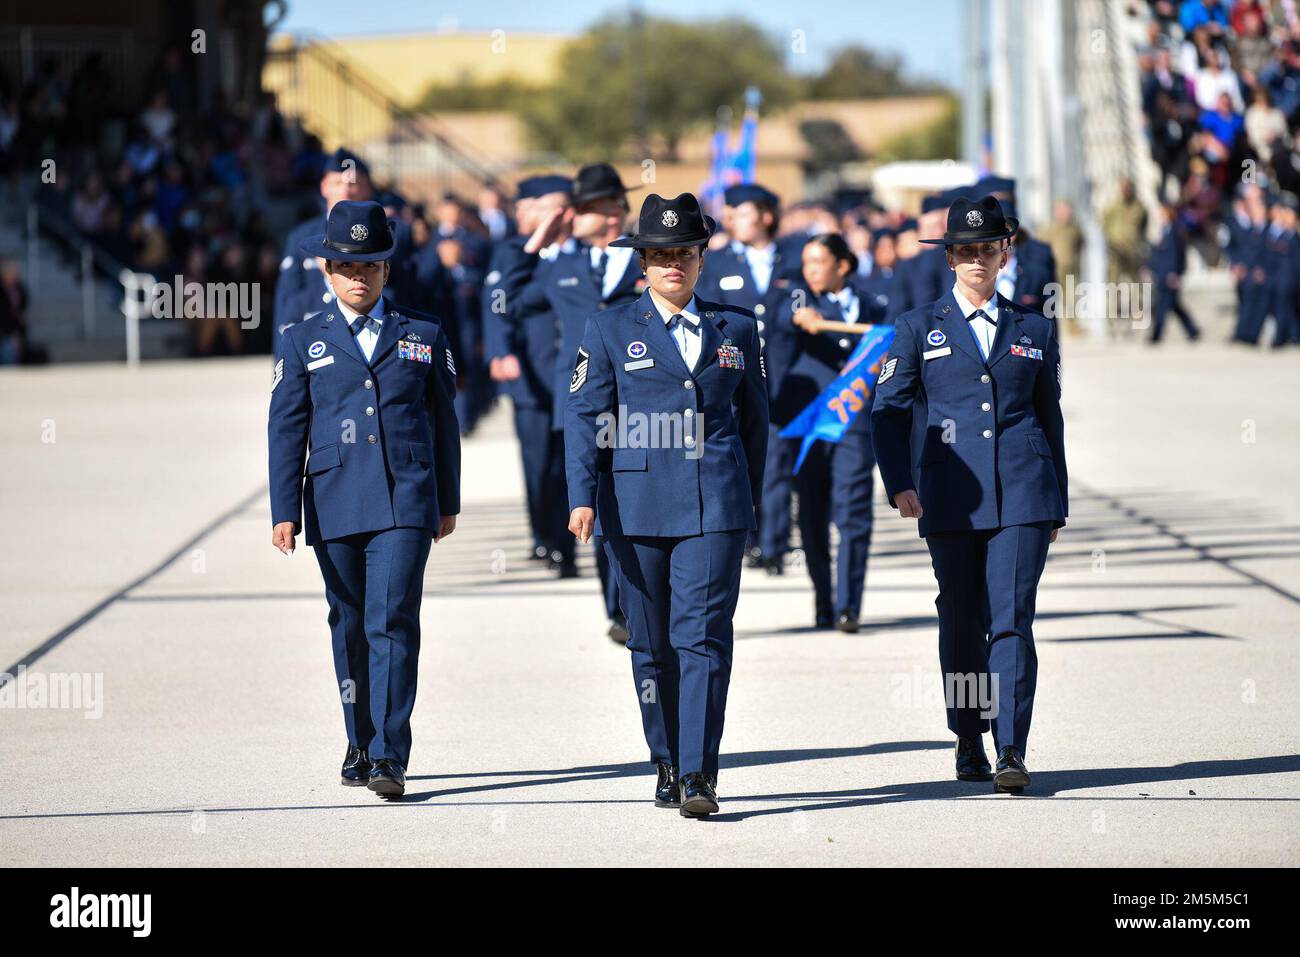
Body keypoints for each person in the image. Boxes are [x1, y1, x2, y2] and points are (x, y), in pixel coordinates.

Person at [565, 193, 768, 817]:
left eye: (684, 252)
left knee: (703, 637)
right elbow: (585, 416)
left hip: (715, 504)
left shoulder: (736, 327)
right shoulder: (608, 328)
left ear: (702, 257)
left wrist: (747, 498)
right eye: (660, 254)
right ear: (642, 264)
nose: (672, 264)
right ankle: (666, 758)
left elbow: (756, 421)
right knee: (651, 645)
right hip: (636, 504)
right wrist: (582, 497)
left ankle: (700, 772)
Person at [871, 195, 1067, 794]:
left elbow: (1048, 413)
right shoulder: (916, 327)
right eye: (965, 250)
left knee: (1011, 618)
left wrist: (1056, 498)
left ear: (1006, 253)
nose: (976, 259)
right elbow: (888, 409)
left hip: (1024, 492)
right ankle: (967, 735)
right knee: (960, 618)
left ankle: (1011, 745)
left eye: (987, 248)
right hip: (950, 493)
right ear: (949, 257)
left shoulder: (1034, 327)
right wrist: (899, 480)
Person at [268, 200, 461, 799]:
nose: (359, 277)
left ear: (387, 269)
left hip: (406, 499)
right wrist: (284, 509)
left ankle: (389, 755)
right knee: (349, 622)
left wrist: (446, 501)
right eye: (346, 266)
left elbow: (444, 423)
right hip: (333, 499)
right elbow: (285, 427)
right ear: (326, 270)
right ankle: (359, 736)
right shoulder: (302, 340)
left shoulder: (423, 334)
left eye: (371, 265)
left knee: (394, 621)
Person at [525, 163, 642, 615]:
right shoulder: (564, 262)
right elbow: (513, 299)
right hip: (580, 400)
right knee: (589, 497)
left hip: (636, 398)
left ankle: (634, 605)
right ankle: (615, 609)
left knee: (626, 499)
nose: (607, 218)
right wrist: (540, 238)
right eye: (586, 210)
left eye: (611, 207)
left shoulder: (641, 260)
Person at [773, 234, 887, 632]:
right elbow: (786, 316)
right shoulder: (797, 297)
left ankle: (848, 606)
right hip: (809, 424)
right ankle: (824, 596)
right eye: (806, 262)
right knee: (812, 515)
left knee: (854, 512)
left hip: (855, 422)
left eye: (819, 261)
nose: (811, 270)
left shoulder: (875, 304)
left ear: (844, 265)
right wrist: (801, 318)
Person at [697, 183, 802, 574]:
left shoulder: (793, 260)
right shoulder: (718, 261)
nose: (731, 220)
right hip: (729, 373)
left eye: (742, 213)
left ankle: (773, 545)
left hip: (782, 376)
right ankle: (745, 535)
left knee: (774, 459)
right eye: (730, 213)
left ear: (766, 217)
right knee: (734, 453)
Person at [481, 175, 576, 577]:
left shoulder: (581, 253)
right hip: (530, 376)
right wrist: (501, 352)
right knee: (539, 465)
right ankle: (545, 535)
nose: (536, 217)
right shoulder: (513, 253)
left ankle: (567, 545)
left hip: (573, 376)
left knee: (573, 465)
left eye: (547, 209)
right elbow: (497, 304)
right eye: (531, 209)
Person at [1144, 201, 1201, 342]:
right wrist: (1149, 268)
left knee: (1162, 307)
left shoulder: (1175, 232)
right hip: (1161, 275)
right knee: (1174, 306)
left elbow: (1177, 256)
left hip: (1169, 276)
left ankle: (1156, 336)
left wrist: (1175, 274)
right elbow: (1157, 255)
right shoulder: (1163, 231)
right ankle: (1193, 330)